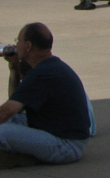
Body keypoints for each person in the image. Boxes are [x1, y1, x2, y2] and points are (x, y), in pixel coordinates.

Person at [0, 23, 90, 164]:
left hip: (66, 146)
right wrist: (14, 69)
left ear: (28, 46)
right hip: (56, 133)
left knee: (2, 131)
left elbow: (5, 112)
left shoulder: (41, 74)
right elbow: (16, 105)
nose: (16, 46)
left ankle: (17, 158)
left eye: (18, 41)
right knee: (11, 121)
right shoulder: (50, 66)